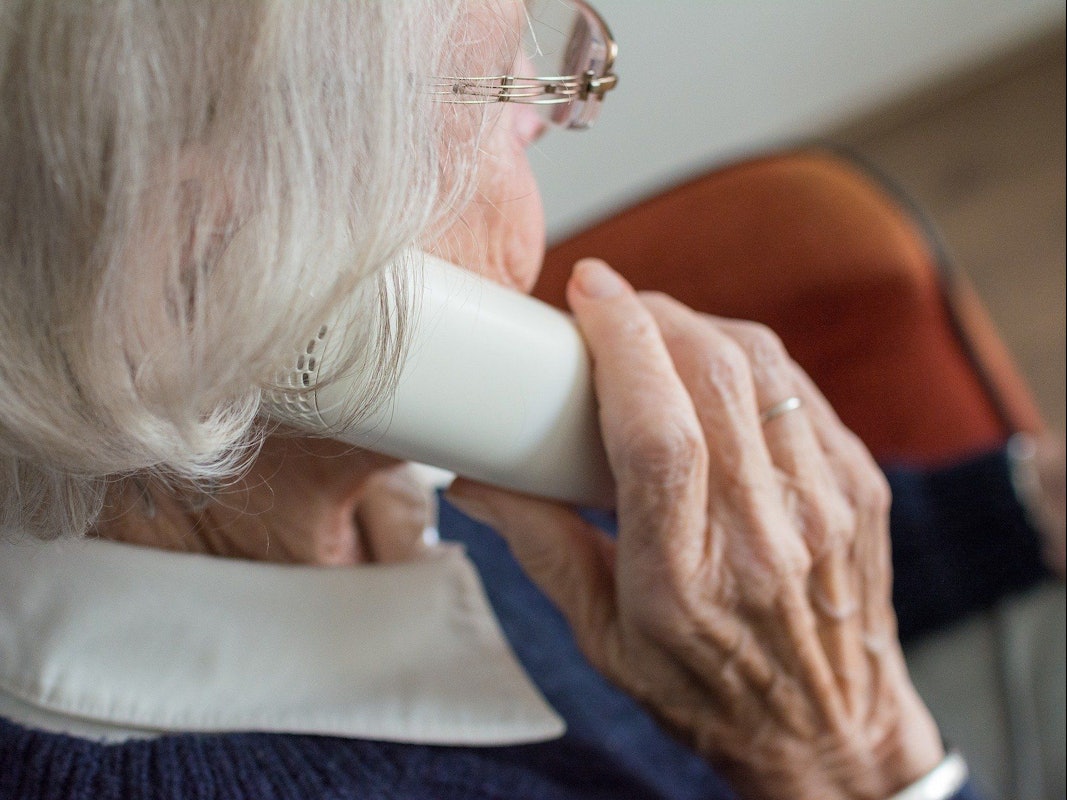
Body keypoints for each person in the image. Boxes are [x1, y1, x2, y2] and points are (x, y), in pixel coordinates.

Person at [0, 2, 1060, 798]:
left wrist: (1020, 502)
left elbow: (690, 587)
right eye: (498, 86)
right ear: (207, 272)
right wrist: (856, 752)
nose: (557, 107)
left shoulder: (364, 450)